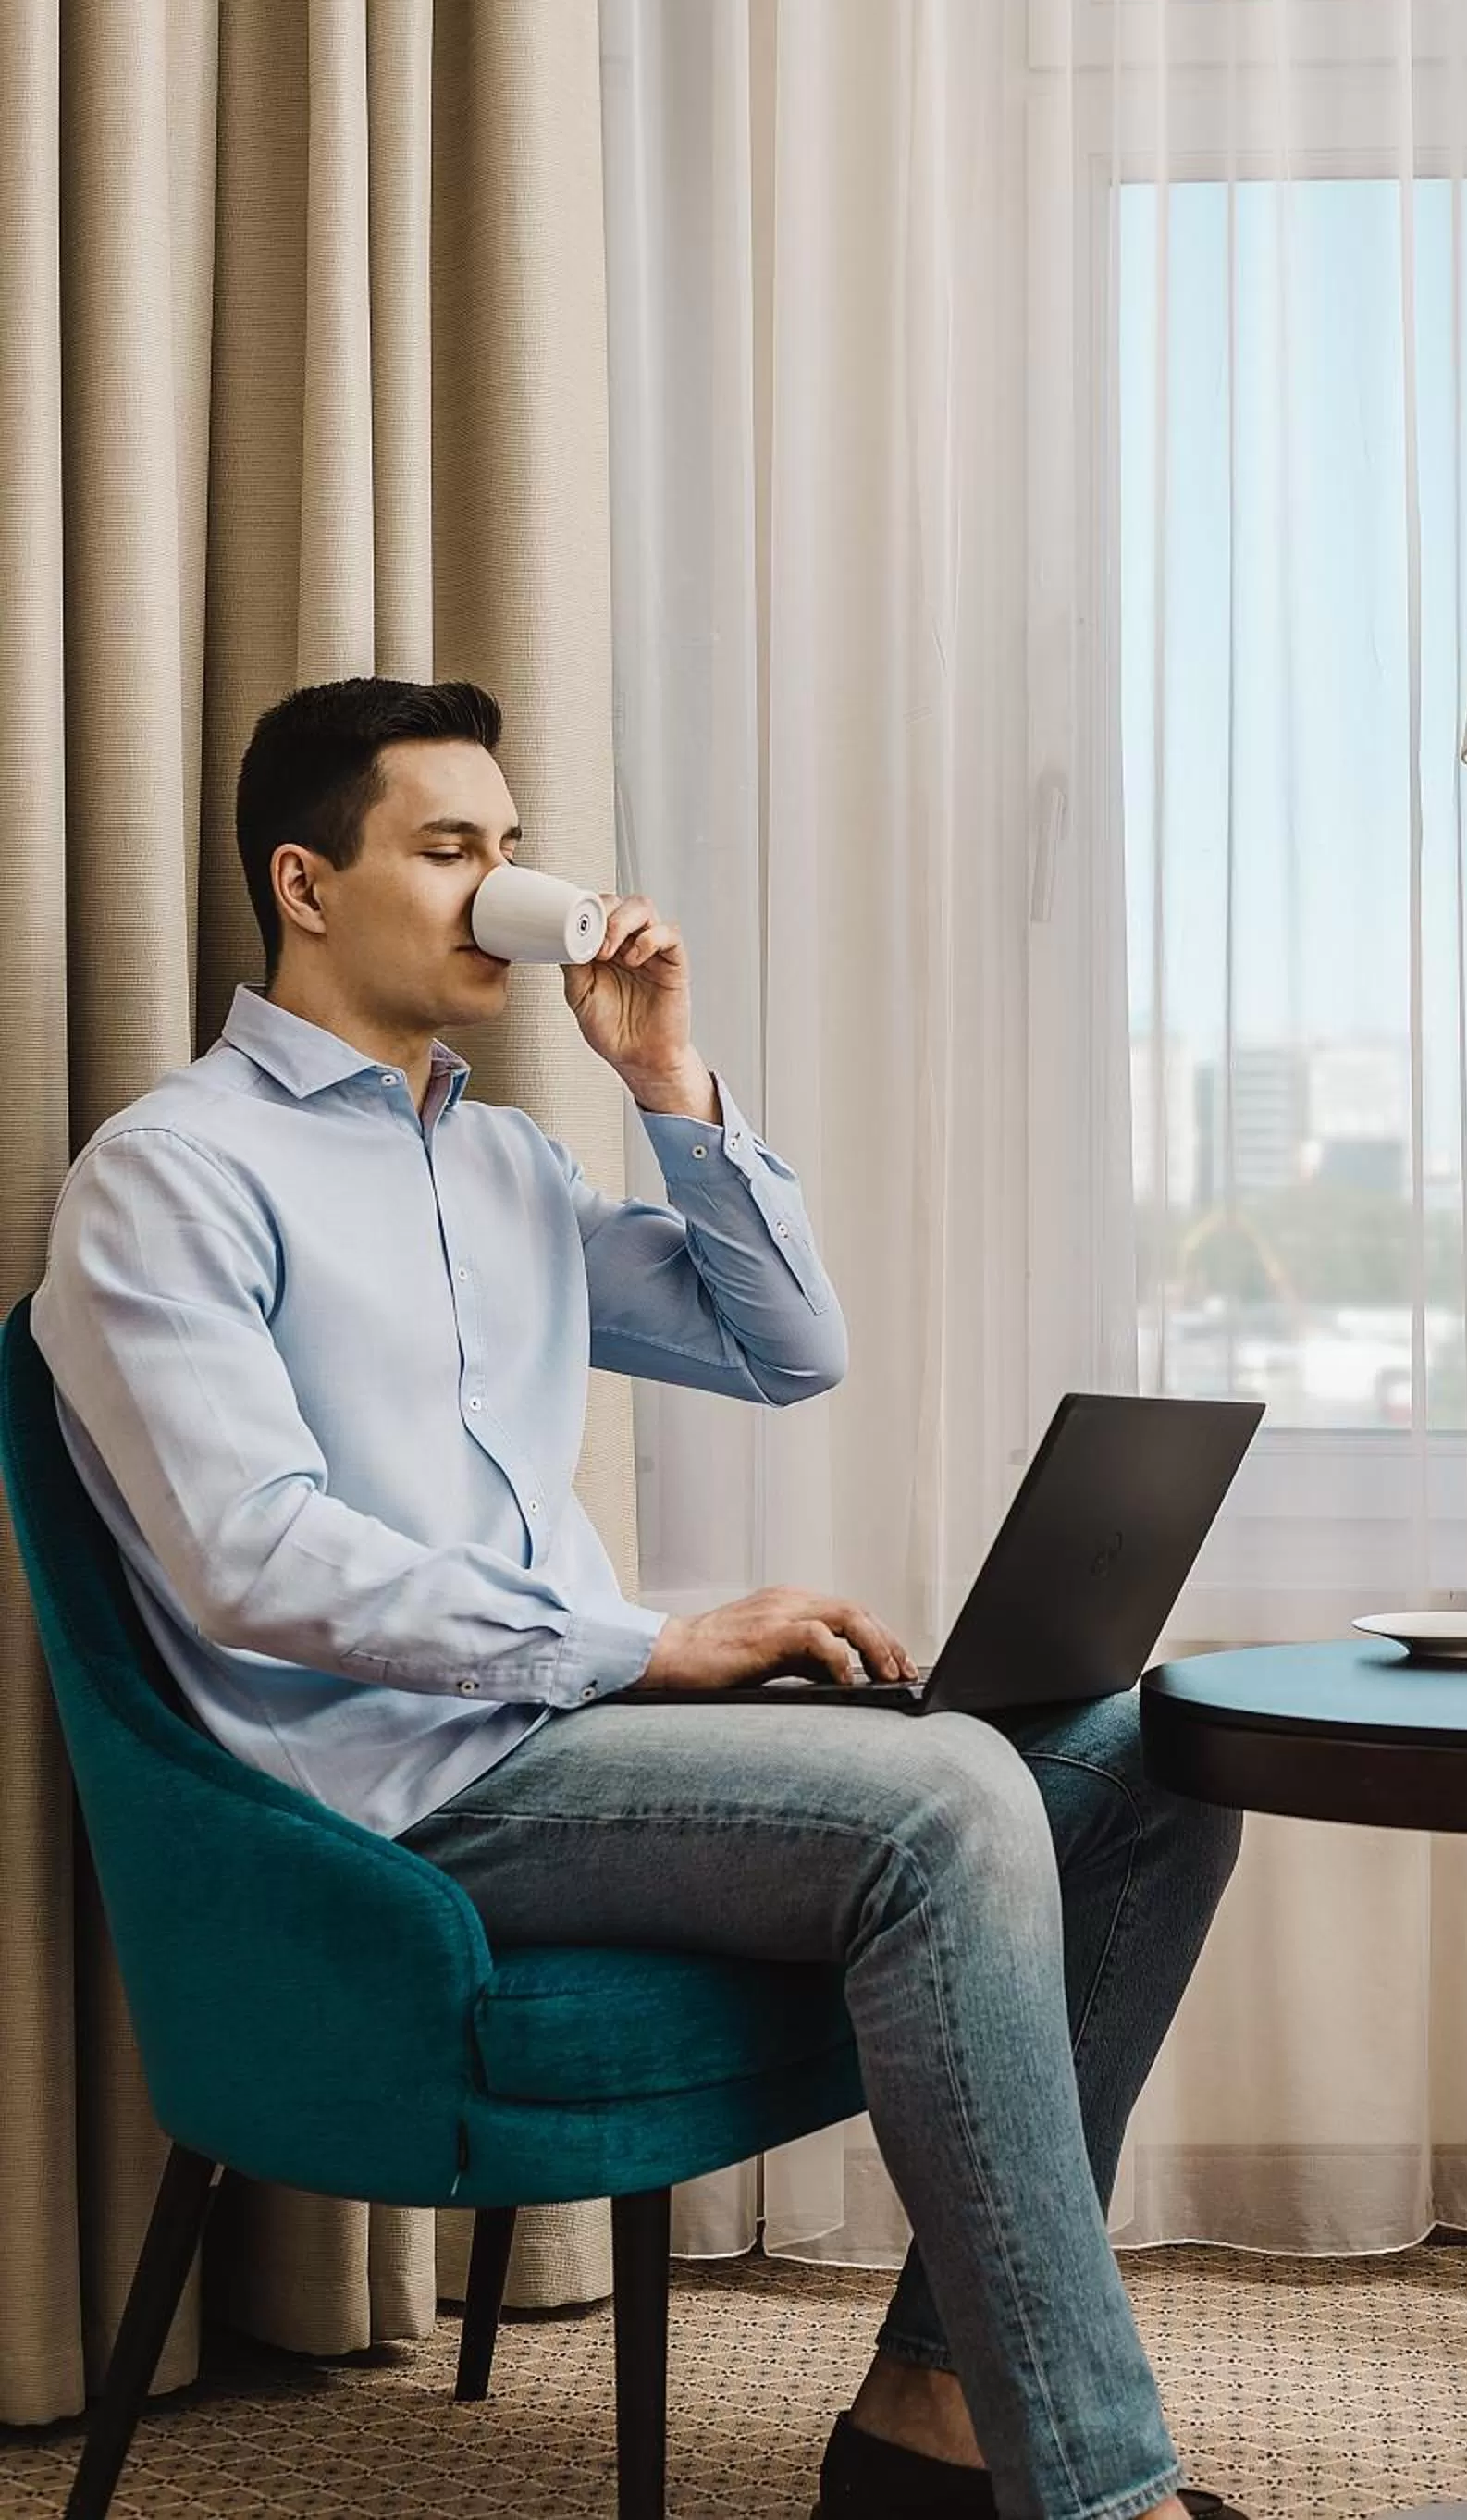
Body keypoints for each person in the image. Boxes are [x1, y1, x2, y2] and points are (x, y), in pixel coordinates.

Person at [31, 677, 1248, 2520]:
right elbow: (249, 1553)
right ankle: (1094, 2495)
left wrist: (666, 1087)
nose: (500, 892)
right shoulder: (170, 1177)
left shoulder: (505, 1163)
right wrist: (645, 1642)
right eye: (447, 851)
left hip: (572, 1731)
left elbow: (788, 1350)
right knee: (943, 1806)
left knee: (1145, 1763)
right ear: (303, 880)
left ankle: (928, 2411)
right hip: (391, 1804)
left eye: (510, 853)